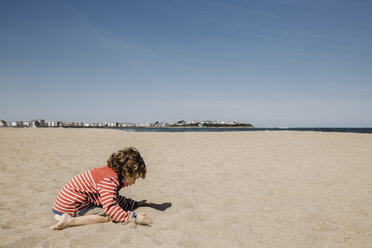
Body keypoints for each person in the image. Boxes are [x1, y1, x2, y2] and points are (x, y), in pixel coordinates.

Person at [50, 147, 153, 230]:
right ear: (126, 171)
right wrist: (133, 217)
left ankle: (69, 218)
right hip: (71, 206)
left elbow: (113, 197)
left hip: (64, 203)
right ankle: (70, 221)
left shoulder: (108, 172)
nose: (134, 182)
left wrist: (135, 204)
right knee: (108, 217)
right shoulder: (109, 180)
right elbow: (111, 208)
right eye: (134, 178)